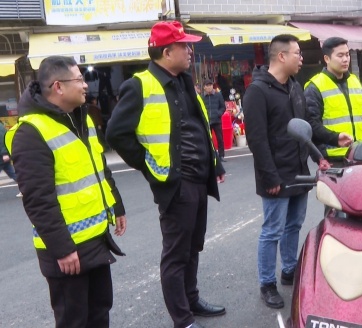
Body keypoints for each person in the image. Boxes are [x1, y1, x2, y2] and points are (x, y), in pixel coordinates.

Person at [105, 21, 226, 328]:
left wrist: (216, 165)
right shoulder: (140, 84)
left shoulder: (184, 80)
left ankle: (192, 298)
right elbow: (117, 134)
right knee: (176, 253)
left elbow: (198, 127)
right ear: (167, 51)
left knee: (194, 245)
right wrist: (149, 165)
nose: (190, 51)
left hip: (200, 179)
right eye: (185, 46)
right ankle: (182, 318)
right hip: (175, 184)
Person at [5, 55, 127, 327]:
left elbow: (100, 168)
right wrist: (62, 249)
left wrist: (116, 206)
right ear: (58, 86)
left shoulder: (81, 118)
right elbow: (38, 200)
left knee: (99, 312)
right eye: (79, 79)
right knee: (73, 320)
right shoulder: (31, 132)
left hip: (96, 238)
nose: (86, 85)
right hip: (67, 250)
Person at [243, 34, 329, 309]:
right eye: (297, 53)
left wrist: (320, 156)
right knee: (272, 230)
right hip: (275, 176)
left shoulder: (295, 87)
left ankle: (289, 270)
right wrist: (270, 177)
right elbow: (257, 140)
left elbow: (305, 130)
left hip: (298, 172)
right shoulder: (258, 92)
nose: (301, 58)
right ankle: (267, 283)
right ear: (281, 56)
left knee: (294, 225)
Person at [304, 37, 362, 168]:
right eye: (340, 55)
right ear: (327, 59)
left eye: (347, 55)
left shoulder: (355, 82)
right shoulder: (315, 87)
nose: (345, 59)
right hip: (333, 161)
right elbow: (312, 126)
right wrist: (319, 157)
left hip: (361, 157)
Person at [203, 79, 227, 161]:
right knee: (208, 140)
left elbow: (223, 107)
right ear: (204, 87)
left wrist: (218, 113)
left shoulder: (218, 95)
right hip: (207, 121)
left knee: (220, 139)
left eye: (210, 85)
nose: (209, 87)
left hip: (217, 120)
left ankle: (221, 156)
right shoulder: (202, 97)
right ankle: (211, 156)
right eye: (207, 85)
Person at [0, 123, 22, 197]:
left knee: (13, 173)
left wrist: (4, 153)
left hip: (2, 156)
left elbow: (3, 140)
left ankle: (27, 188)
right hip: (2, 156)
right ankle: (26, 188)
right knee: (13, 173)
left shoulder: (0, 128)